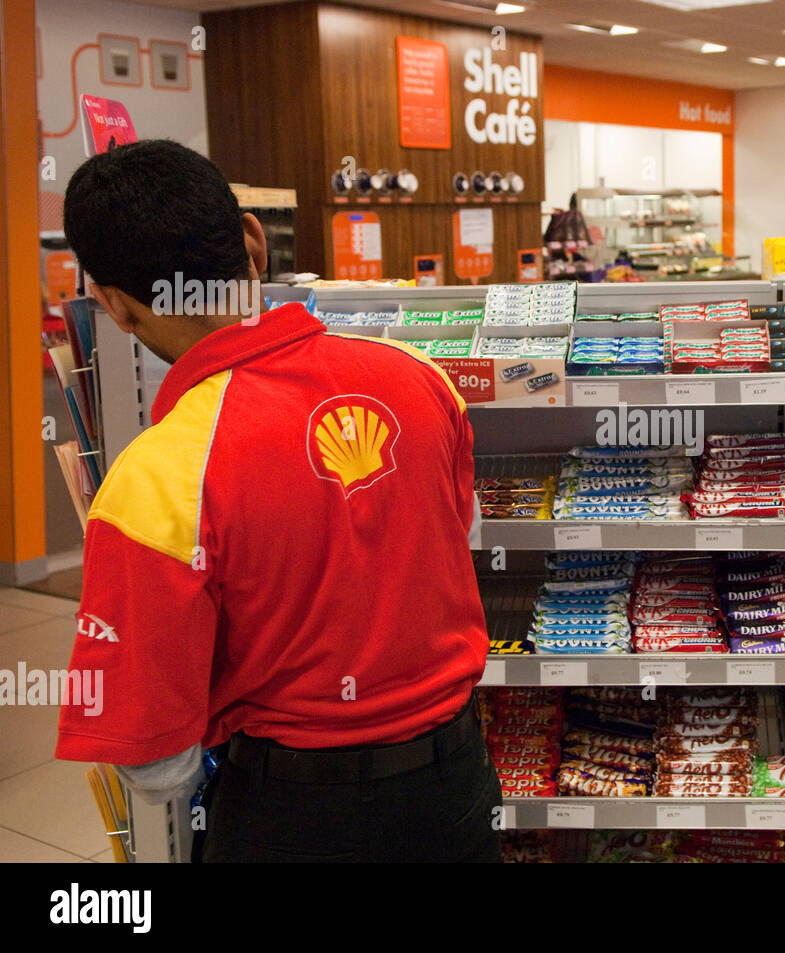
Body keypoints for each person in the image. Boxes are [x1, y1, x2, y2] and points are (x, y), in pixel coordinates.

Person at [55, 139, 500, 862]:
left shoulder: (155, 477)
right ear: (254, 245)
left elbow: (157, 765)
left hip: (290, 816)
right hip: (455, 790)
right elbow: (463, 533)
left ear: (113, 306)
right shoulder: (419, 379)